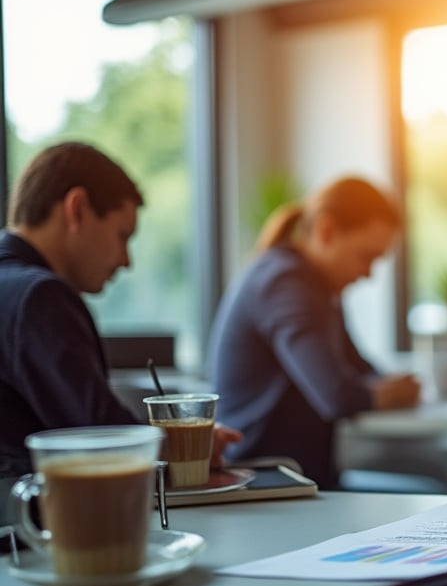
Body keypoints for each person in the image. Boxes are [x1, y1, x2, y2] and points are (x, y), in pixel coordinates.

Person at [0, 141, 239, 481]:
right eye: (122, 235)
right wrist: (191, 445)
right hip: (36, 529)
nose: (126, 261)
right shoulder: (38, 297)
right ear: (77, 208)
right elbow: (102, 438)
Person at [208, 176, 421, 489]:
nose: (368, 273)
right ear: (326, 231)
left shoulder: (318, 289)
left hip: (304, 477)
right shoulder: (284, 284)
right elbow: (337, 395)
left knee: (419, 489)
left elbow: (359, 368)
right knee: (421, 493)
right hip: (266, 481)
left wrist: (384, 387)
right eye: (366, 257)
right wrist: (382, 393)